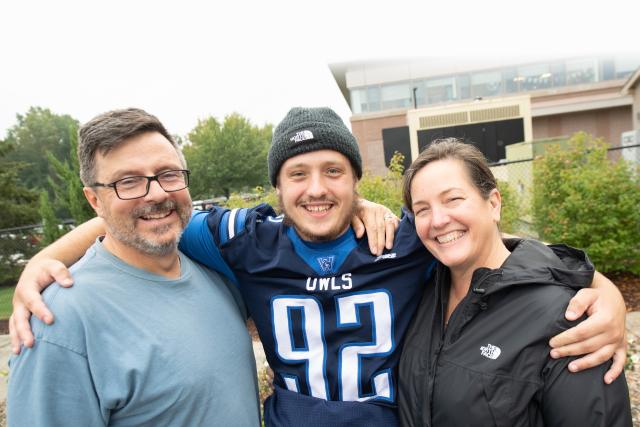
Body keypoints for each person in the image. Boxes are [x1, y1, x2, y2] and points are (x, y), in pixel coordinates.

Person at [10, 108, 628, 426]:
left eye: (335, 172)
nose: (316, 188)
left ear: (359, 182)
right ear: (274, 187)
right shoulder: (242, 237)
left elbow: (488, 242)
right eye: (296, 174)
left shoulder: (405, 236)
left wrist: (598, 288)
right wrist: (47, 256)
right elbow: (150, 210)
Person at [7, 109, 261, 426]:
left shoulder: (218, 274)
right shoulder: (58, 321)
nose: (157, 193)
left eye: (168, 174)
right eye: (128, 181)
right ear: (94, 201)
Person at [398, 139, 631, 426]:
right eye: (422, 210)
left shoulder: (567, 318)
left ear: (493, 203)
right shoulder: (418, 292)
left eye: (453, 199)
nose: (438, 220)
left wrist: (608, 292)